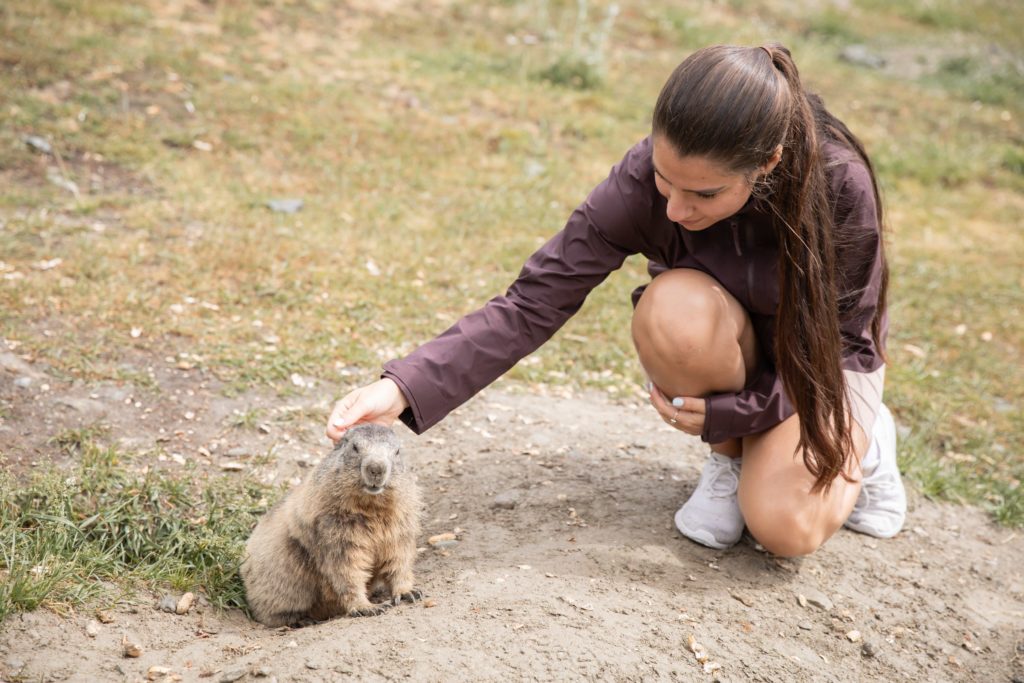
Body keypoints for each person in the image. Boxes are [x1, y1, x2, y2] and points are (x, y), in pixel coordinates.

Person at [325, 43, 906, 557]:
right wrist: (403, 388)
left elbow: (847, 345)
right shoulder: (638, 181)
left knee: (785, 531)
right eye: (663, 178)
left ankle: (868, 437)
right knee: (672, 307)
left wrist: (746, 409)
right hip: (724, 345)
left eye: (704, 193)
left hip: (823, 369)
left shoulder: (838, 187)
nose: (675, 210)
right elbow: (532, 303)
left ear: (768, 163)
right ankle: (730, 463)